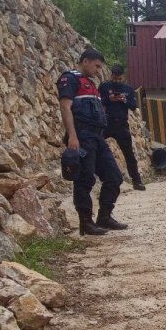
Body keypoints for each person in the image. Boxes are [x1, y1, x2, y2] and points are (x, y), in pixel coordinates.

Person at [57, 48, 128, 236]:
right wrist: (72, 135)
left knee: (114, 176)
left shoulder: (90, 83)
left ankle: (104, 216)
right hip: (82, 135)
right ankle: (86, 222)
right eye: (96, 66)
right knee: (85, 178)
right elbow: (65, 107)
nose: (98, 70)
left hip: (97, 137)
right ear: (85, 61)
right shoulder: (70, 79)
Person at [99, 64, 145, 190]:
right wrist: (109, 99)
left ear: (123, 77)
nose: (117, 81)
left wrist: (124, 99)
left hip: (121, 124)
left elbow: (133, 106)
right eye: (114, 78)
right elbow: (98, 102)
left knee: (129, 154)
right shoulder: (104, 86)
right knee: (94, 146)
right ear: (111, 76)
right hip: (106, 122)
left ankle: (137, 181)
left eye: (119, 79)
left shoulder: (128, 89)